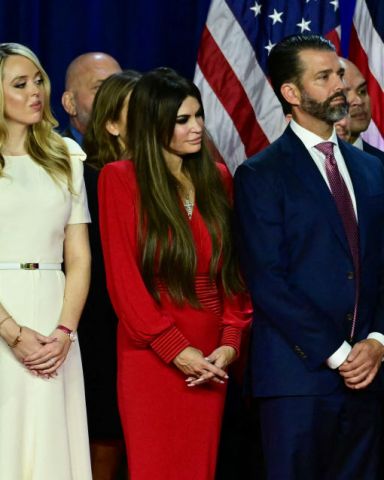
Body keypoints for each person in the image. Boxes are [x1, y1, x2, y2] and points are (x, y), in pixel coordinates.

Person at [234, 34, 384, 480]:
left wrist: (376, 340)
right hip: (296, 381)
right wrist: (339, 354)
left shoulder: (373, 169)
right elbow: (267, 280)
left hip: (370, 378)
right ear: (291, 94)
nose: (340, 86)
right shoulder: (260, 174)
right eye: (324, 77)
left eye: (339, 73)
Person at [98, 67, 252, 480]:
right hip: (151, 354)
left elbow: (233, 275)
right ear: (155, 123)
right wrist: (173, 348)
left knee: (199, 469)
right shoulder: (120, 179)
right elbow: (123, 280)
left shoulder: (217, 179)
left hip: (211, 356)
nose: (197, 127)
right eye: (183, 120)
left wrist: (230, 341)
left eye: (198, 116)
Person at [0, 43, 92, 479]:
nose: (36, 91)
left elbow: (79, 257)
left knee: (54, 443)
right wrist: (13, 333)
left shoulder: (66, 157)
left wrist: (63, 332)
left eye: (38, 80)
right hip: (4, 316)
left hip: (56, 320)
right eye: (20, 84)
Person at [81, 69, 141, 480]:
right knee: (105, 432)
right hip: (101, 327)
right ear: (112, 124)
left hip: (155, 331)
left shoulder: (174, 178)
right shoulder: (88, 179)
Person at [61, 52, 122, 144]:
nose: (112, 96)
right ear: (70, 103)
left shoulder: (142, 151)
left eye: (118, 87)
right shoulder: (53, 157)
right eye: (98, 88)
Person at [338, 58, 384, 162]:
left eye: (362, 91)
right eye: (343, 94)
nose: (359, 101)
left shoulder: (380, 165)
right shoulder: (297, 160)